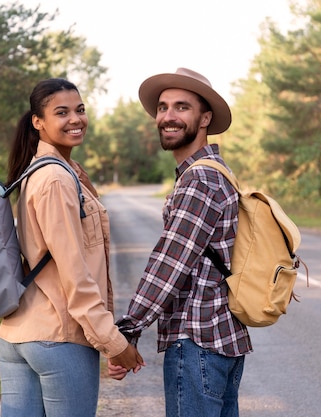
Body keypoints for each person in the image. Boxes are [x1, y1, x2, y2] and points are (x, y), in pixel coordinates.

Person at [0, 78, 144, 417]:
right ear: (39, 122)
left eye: (79, 110)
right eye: (61, 112)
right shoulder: (56, 179)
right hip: (59, 338)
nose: (75, 119)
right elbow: (75, 275)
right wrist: (113, 343)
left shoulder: (41, 172)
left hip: (17, 336)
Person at [113, 68, 253, 417]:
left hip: (198, 342)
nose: (168, 117)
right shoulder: (217, 171)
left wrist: (126, 332)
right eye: (162, 108)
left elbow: (169, 266)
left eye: (181, 107)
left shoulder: (199, 179)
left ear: (205, 118)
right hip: (221, 341)